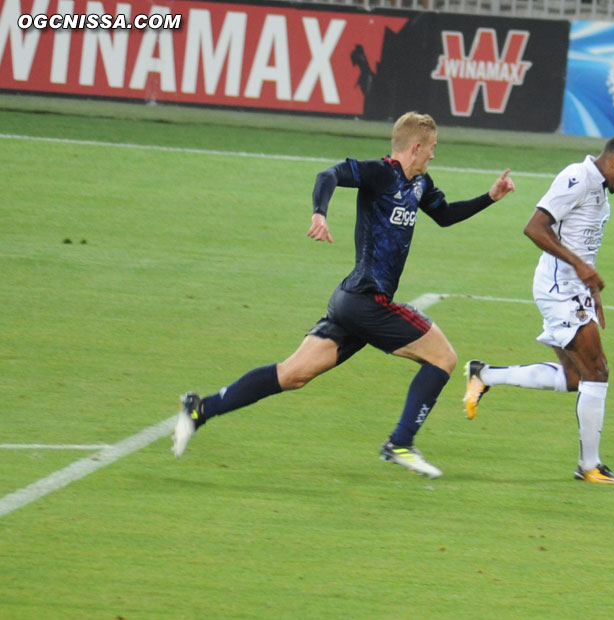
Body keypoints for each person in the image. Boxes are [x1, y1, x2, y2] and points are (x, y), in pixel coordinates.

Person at [172, 112, 515, 478]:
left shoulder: (420, 184)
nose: (434, 155)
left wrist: (490, 197)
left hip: (352, 301)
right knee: (443, 357)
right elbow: (329, 175)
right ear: (416, 147)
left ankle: (200, 408)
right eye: (432, 148)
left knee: (292, 375)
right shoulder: (380, 174)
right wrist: (320, 213)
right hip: (368, 300)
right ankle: (400, 442)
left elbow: (445, 215)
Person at [462, 133, 614, 486]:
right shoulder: (576, 179)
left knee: (576, 378)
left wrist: (590, 284)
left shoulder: (600, 192)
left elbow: (581, 244)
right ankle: (589, 466)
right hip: (561, 289)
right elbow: (535, 227)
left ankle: (484, 375)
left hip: (576, 289)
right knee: (598, 372)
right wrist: (579, 267)